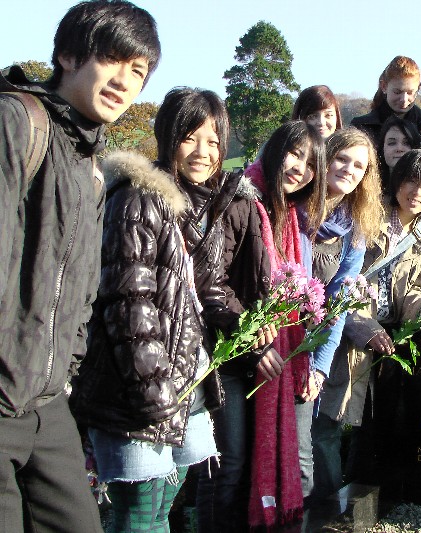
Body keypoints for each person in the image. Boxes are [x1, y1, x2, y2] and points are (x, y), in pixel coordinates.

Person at [0, 2, 160, 531]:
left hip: (46, 406)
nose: (124, 81)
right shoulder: (16, 121)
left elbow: (83, 286)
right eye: (112, 58)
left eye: (138, 72)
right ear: (67, 55)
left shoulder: (91, 167)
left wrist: (64, 371)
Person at [70, 87, 238, 532]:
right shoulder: (138, 199)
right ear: (167, 137)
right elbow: (129, 305)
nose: (204, 152)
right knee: (138, 515)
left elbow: (198, 294)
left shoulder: (194, 205)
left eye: (215, 141)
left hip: (183, 383)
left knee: (161, 509)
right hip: (139, 388)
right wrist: (155, 394)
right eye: (191, 137)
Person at [198, 121, 326, 531]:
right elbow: (211, 280)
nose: (299, 168)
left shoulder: (286, 214)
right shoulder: (240, 199)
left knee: (250, 461)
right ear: (274, 151)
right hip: (228, 354)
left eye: (309, 164)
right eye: (294, 153)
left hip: (262, 358)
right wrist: (253, 338)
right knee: (229, 462)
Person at [314, 149, 421, 499]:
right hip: (345, 333)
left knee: (372, 423)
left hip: (389, 341)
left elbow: (416, 288)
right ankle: (325, 502)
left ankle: (360, 494)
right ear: (397, 181)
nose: (417, 193)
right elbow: (342, 279)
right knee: (331, 419)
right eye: (411, 182)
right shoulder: (367, 216)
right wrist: (361, 325)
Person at [306, 127, 384, 499]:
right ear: (325, 157)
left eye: (359, 166)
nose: (349, 170)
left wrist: (320, 366)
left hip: (312, 345)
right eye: (342, 159)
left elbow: (338, 303)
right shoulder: (296, 206)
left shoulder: (354, 227)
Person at [351, 55, 421, 155]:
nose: (404, 99)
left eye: (410, 92)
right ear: (384, 86)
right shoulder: (362, 127)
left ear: (418, 88)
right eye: (397, 92)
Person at [376, 115, 421, 190]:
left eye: (407, 143)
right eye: (392, 143)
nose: (399, 149)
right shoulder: (369, 190)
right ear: (382, 148)